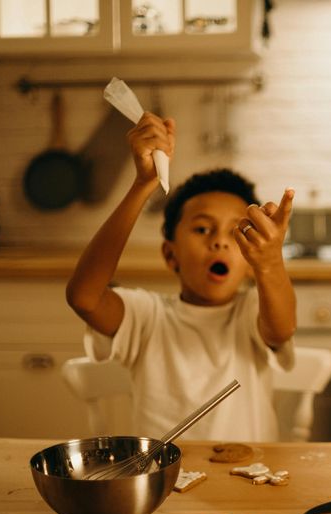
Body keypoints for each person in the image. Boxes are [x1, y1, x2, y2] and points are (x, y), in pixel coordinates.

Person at [66, 111, 296, 441]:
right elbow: (84, 298)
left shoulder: (251, 313)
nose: (219, 241)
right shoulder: (146, 317)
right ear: (170, 254)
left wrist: (271, 263)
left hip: (249, 469)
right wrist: (143, 185)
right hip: (164, 473)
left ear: (249, 263)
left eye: (235, 233)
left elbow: (282, 327)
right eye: (202, 229)